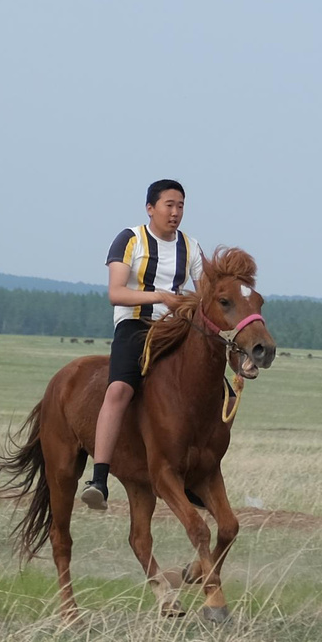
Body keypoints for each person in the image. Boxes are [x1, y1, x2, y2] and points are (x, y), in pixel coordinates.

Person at [84, 180, 204, 510]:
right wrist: (162, 297)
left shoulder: (191, 247)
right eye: (169, 205)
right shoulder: (130, 239)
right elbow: (116, 293)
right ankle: (99, 477)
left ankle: (196, 474)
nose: (176, 212)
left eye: (180, 205)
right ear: (150, 208)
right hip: (136, 326)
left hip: (176, 329)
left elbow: (205, 297)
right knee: (119, 390)